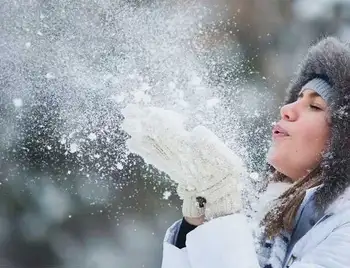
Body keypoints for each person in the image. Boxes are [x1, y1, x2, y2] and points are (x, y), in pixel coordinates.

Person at [122, 37, 350, 268]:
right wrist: (198, 221)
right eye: (298, 97)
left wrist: (224, 214)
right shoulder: (271, 215)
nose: (287, 109)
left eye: (315, 106)